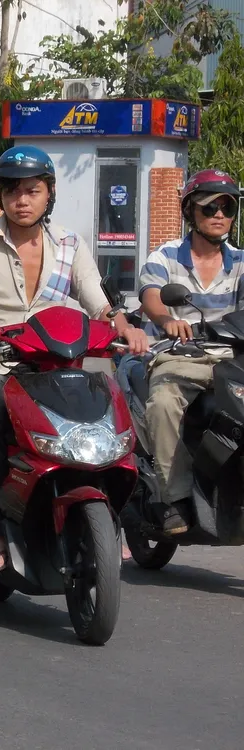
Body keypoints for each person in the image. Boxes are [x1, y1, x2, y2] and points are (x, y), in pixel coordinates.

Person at [0, 145, 148, 574]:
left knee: (112, 408)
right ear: (0, 196)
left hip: (55, 366)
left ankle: (117, 516)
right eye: (13, 191)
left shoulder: (70, 245)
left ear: (49, 193)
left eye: (32, 190)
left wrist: (124, 327)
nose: (22, 200)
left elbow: (99, 304)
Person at [138, 169, 244, 535]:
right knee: (164, 404)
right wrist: (166, 319)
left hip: (231, 359)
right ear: (189, 212)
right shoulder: (165, 256)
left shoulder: (242, 262)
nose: (219, 214)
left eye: (227, 207)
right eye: (210, 206)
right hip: (179, 355)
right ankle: (174, 498)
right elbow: (151, 295)